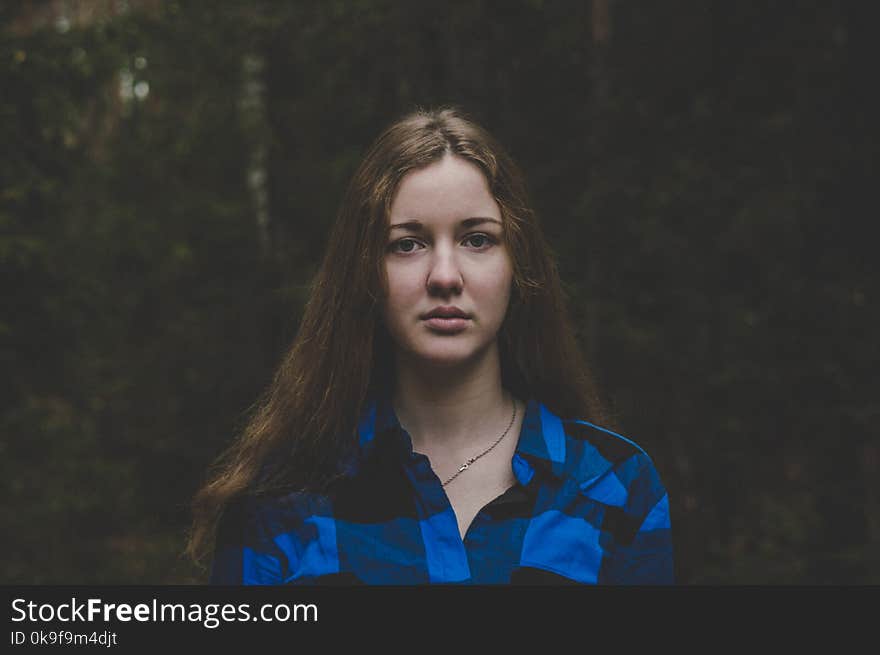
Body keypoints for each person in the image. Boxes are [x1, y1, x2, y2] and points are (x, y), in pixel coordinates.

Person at [187, 106, 673, 584]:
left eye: (477, 239)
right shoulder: (280, 503)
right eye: (408, 244)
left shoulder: (612, 488)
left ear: (518, 267)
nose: (445, 276)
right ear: (365, 274)